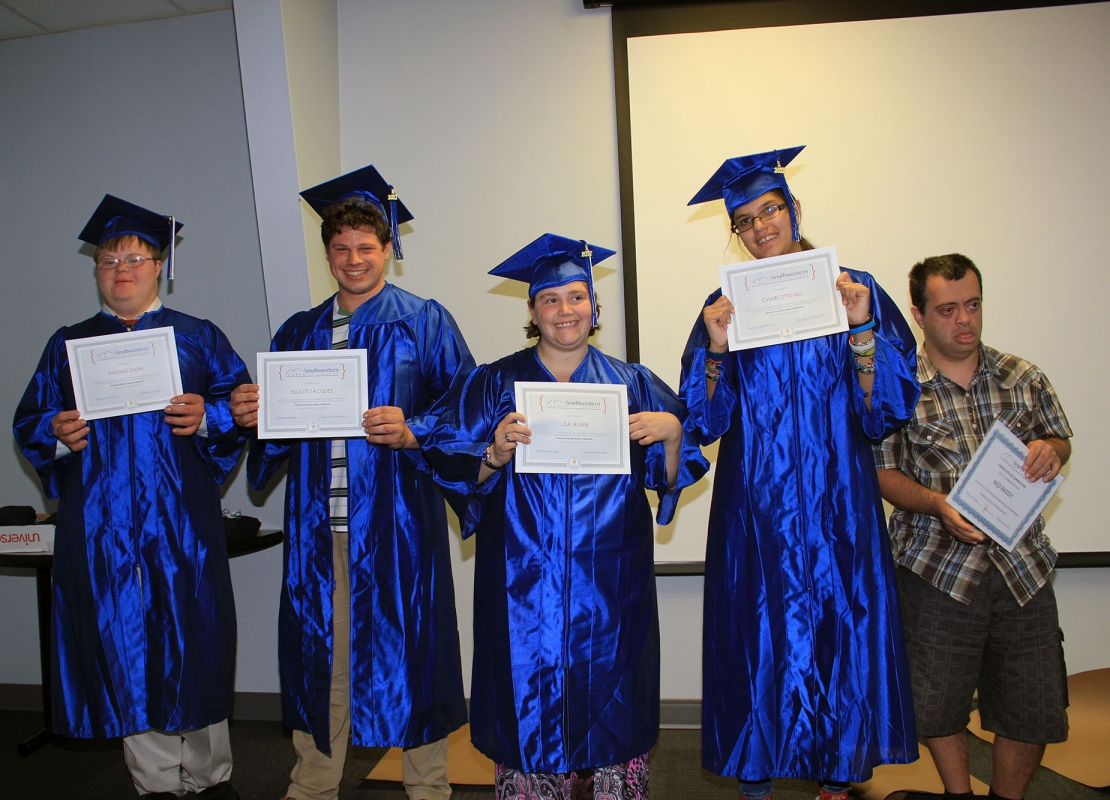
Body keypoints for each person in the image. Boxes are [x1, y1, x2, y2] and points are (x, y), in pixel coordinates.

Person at [421, 234, 709, 800]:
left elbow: (669, 478)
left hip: (612, 584)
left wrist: (673, 434)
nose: (565, 311)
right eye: (550, 300)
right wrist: (491, 456)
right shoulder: (491, 384)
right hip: (520, 581)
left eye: (577, 297)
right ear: (532, 311)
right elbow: (445, 461)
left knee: (613, 699)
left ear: (594, 307)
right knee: (528, 703)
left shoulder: (633, 383)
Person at [678, 147, 920, 800]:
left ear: (794, 210)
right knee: (758, 639)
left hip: (838, 502)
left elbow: (886, 411)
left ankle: (836, 785)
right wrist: (717, 352)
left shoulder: (852, 287)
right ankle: (757, 783)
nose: (761, 228)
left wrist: (863, 326)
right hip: (754, 508)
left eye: (771, 211)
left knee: (839, 636)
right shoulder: (723, 305)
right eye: (747, 221)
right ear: (736, 231)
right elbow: (704, 419)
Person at [229, 166, 474, 800]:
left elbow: (470, 409)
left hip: (399, 524)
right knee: (321, 655)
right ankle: (312, 784)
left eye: (367, 247)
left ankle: (429, 787)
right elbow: (279, 435)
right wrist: (257, 418)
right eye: (341, 249)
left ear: (389, 249)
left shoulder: (424, 321)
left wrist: (415, 428)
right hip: (321, 527)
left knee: (413, 648)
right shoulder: (298, 331)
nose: (354, 259)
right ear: (328, 255)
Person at [13, 195, 250, 799]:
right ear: (97, 271)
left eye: (135, 258)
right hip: (103, 528)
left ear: (158, 266)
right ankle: (153, 784)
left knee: (194, 642)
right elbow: (31, 423)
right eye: (109, 260)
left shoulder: (198, 338)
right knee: (126, 647)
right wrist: (58, 435)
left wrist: (211, 416)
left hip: (181, 527)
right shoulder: (68, 345)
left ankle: (209, 776)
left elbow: (244, 407)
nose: (121, 269)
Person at [875, 254, 1071, 800]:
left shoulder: (1023, 376)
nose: (965, 320)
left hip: (1022, 570)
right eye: (948, 309)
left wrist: (1048, 451)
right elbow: (881, 474)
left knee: (1031, 710)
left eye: (974, 305)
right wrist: (937, 505)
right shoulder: (899, 389)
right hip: (935, 572)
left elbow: (1059, 439)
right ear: (918, 314)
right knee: (935, 706)